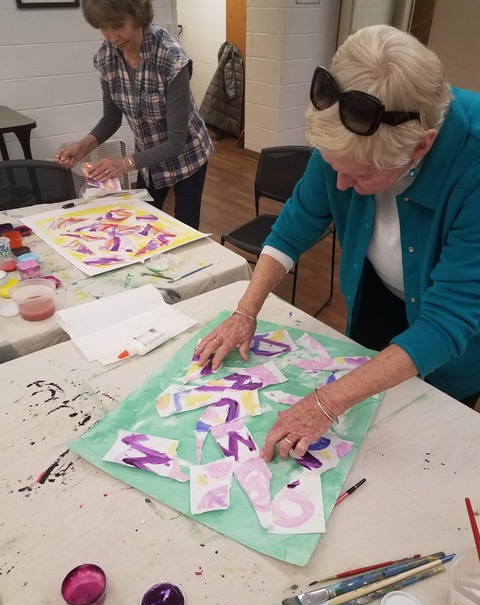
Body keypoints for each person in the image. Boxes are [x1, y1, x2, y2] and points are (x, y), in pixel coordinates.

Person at [195, 25, 480, 462]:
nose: (341, 185)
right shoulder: (348, 130)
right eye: (334, 167)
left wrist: (325, 403)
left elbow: (447, 323)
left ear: (420, 148)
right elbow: (294, 226)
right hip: (382, 292)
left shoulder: (472, 165)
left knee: (421, 445)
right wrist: (244, 311)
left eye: (361, 175)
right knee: (363, 426)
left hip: (457, 334)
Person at [55, 0, 214, 230]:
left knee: (185, 229)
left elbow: (176, 143)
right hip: (148, 157)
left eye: (119, 25)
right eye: (103, 27)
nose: (112, 37)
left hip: (187, 156)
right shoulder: (105, 58)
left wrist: (124, 163)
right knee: (141, 223)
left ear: (139, 16)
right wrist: (83, 146)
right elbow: (111, 118)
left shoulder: (171, 58)